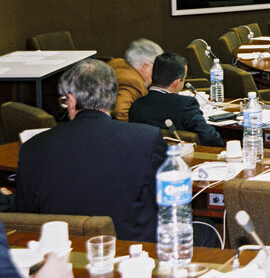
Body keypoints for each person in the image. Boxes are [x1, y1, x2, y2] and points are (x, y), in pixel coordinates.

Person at [16, 59, 167, 243]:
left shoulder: (32, 147)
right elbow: (167, 204)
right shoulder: (146, 139)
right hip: (132, 255)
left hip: (63, 255)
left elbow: (25, 217)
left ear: (71, 101)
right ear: (113, 97)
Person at [129, 52, 223, 147]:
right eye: (184, 78)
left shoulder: (136, 106)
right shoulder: (185, 104)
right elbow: (211, 138)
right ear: (176, 83)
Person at [108, 38, 163, 121]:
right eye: (157, 66)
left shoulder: (117, 63)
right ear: (144, 66)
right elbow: (120, 112)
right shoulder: (133, 82)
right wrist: (135, 131)